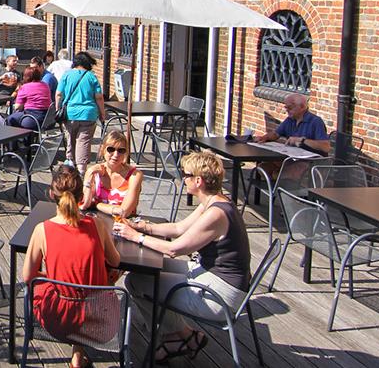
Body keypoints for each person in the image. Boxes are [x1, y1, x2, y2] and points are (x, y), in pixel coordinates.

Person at [114, 151, 251, 363]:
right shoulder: (213, 202)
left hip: (220, 293)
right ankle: (185, 336)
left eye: (186, 175)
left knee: (137, 281)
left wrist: (136, 237)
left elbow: (174, 249)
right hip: (210, 273)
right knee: (150, 271)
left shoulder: (216, 214)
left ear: (199, 180)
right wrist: (143, 227)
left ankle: (177, 338)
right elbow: (179, 228)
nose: (183, 179)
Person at [23, 165, 123, 368]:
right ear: (81, 197)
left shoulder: (42, 230)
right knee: (101, 279)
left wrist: (52, 275)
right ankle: (78, 354)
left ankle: (77, 355)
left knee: (47, 286)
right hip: (101, 320)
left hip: (58, 319)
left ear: (52, 194)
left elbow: (28, 277)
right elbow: (116, 262)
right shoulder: (97, 225)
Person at [56, 52, 105, 169]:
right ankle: (81, 169)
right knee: (83, 141)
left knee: (70, 139)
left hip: (70, 113)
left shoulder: (67, 75)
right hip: (88, 114)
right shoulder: (91, 76)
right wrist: (102, 113)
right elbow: (99, 97)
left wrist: (58, 109)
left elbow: (58, 94)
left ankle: (70, 164)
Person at [82, 131, 143, 219]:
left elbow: (124, 212)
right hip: (98, 223)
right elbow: (85, 205)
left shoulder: (134, 175)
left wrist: (97, 204)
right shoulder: (94, 172)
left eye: (121, 150)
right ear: (103, 149)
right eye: (111, 149)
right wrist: (90, 173)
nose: (116, 155)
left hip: (123, 226)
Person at [255, 93, 331, 154]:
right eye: (286, 108)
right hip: (292, 157)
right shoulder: (290, 120)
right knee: (265, 166)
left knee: (286, 168)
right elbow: (276, 134)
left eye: (290, 108)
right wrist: (264, 138)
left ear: (302, 107)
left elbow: (326, 147)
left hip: (309, 161)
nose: (287, 110)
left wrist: (302, 141)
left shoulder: (315, 121)